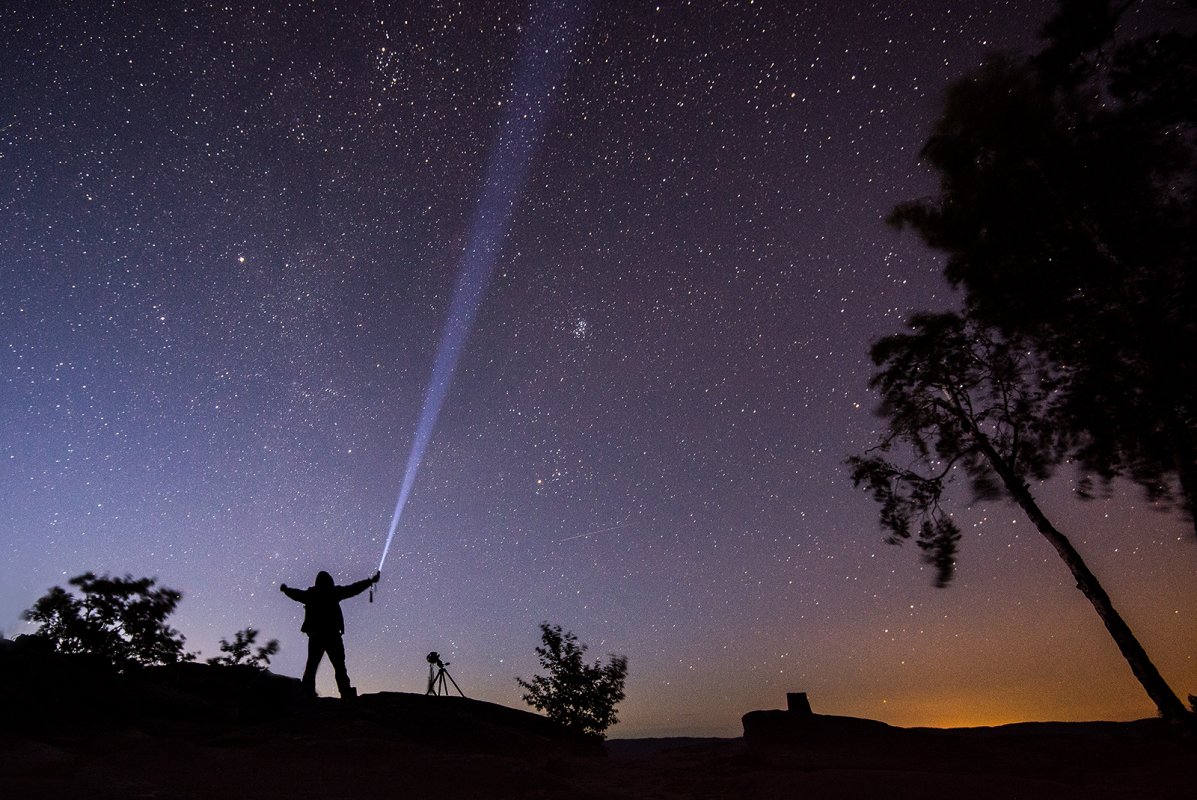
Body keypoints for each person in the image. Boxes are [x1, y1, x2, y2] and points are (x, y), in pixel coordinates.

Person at [280, 569, 380, 699]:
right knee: (339, 666)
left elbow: (296, 594)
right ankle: (345, 692)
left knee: (312, 666)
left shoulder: (311, 594)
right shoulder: (333, 592)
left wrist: (286, 590)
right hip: (332, 636)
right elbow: (353, 589)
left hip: (316, 636)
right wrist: (369, 581)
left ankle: (307, 692)